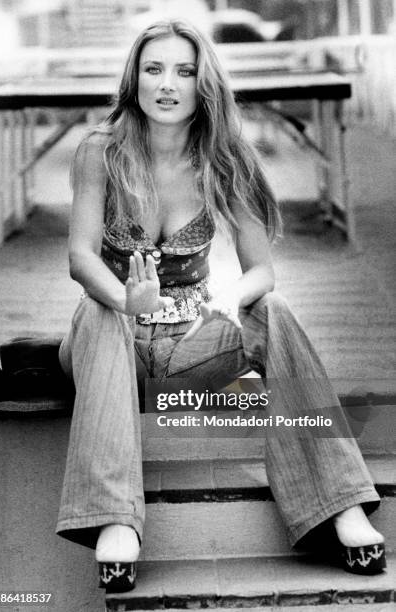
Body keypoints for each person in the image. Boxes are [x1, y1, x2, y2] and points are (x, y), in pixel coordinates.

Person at [55, 19, 385, 592]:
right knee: (95, 310)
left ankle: (339, 503)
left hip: (193, 347)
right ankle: (114, 518)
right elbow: (81, 259)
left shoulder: (224, 158)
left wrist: (232, 297)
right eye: (154, 69)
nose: (167, 84)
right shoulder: (98, 153)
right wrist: (125, 299)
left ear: (202, 82)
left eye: (184, 71)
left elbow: (263, 269)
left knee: (274, 311)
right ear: (135, 78)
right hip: (110, 345)